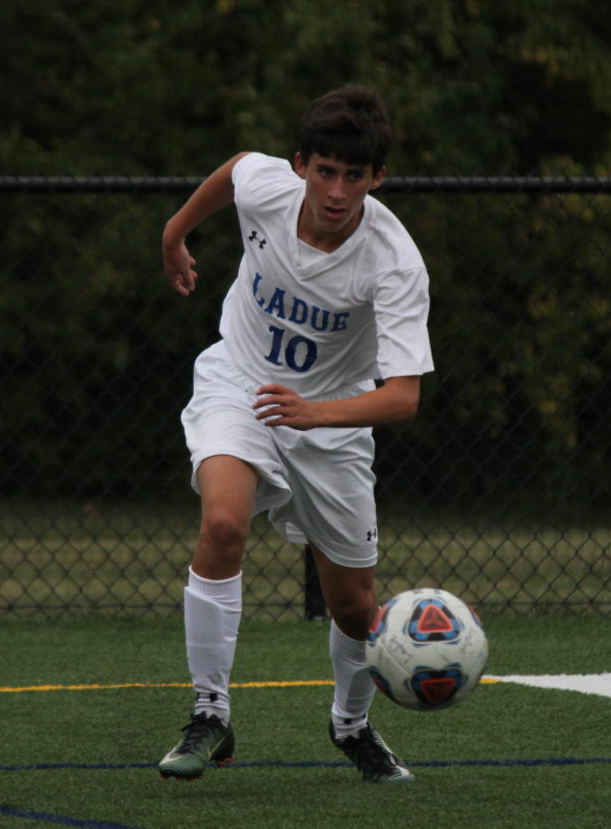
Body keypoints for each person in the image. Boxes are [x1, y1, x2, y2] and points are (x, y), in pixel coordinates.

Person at [157, 85, 433, 783]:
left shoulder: (394, 262)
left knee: (355, 605)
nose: (336, 190)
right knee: (222, 524)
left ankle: (352, 726)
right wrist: (175, 232)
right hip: (240, 382)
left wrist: (317, 412)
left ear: (377, 178)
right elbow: (234, 168)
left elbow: (402, 398)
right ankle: (210, 715)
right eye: (324, 170)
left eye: (354, 175)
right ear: (301, 164)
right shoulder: (268, 187)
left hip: (331, 425)